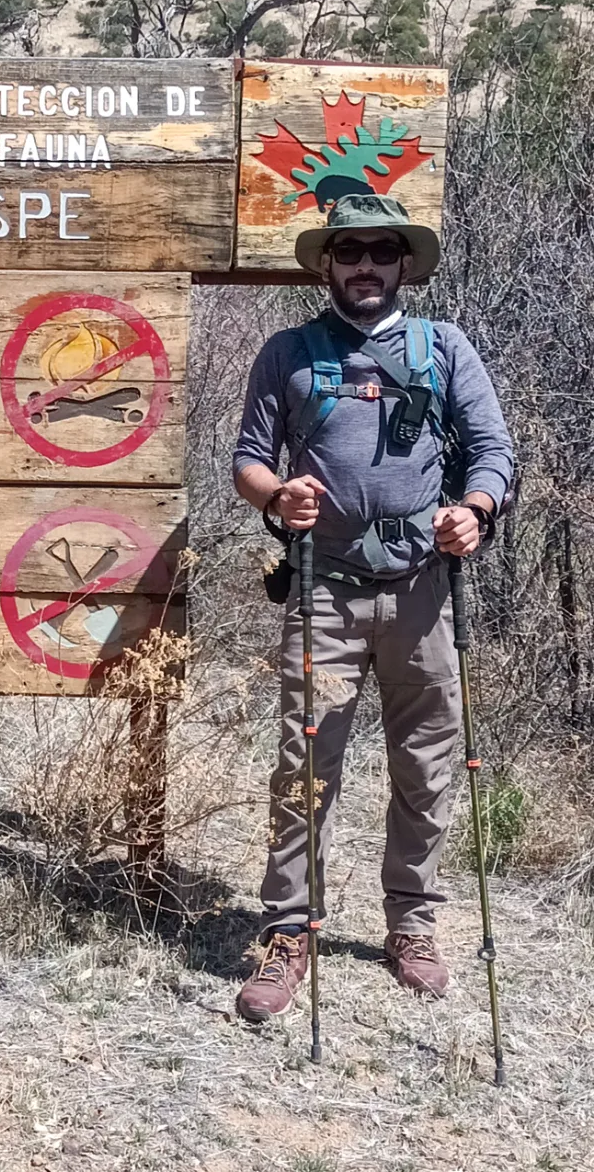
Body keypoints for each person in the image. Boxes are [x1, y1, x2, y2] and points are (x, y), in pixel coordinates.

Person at [231, 193, 514, 1021]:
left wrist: (477, 510)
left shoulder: (444, 347)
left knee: (427, 767)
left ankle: (413, 924)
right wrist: (279, 496)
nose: (364, 266)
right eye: (348, 251)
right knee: (304, 766)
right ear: (327, 264)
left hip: (424, 589)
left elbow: (494, 450)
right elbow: (248, 459)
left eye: (380, 252)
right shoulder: (288, 352)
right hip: (324, 588)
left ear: (403, 264)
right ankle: (288, 932)